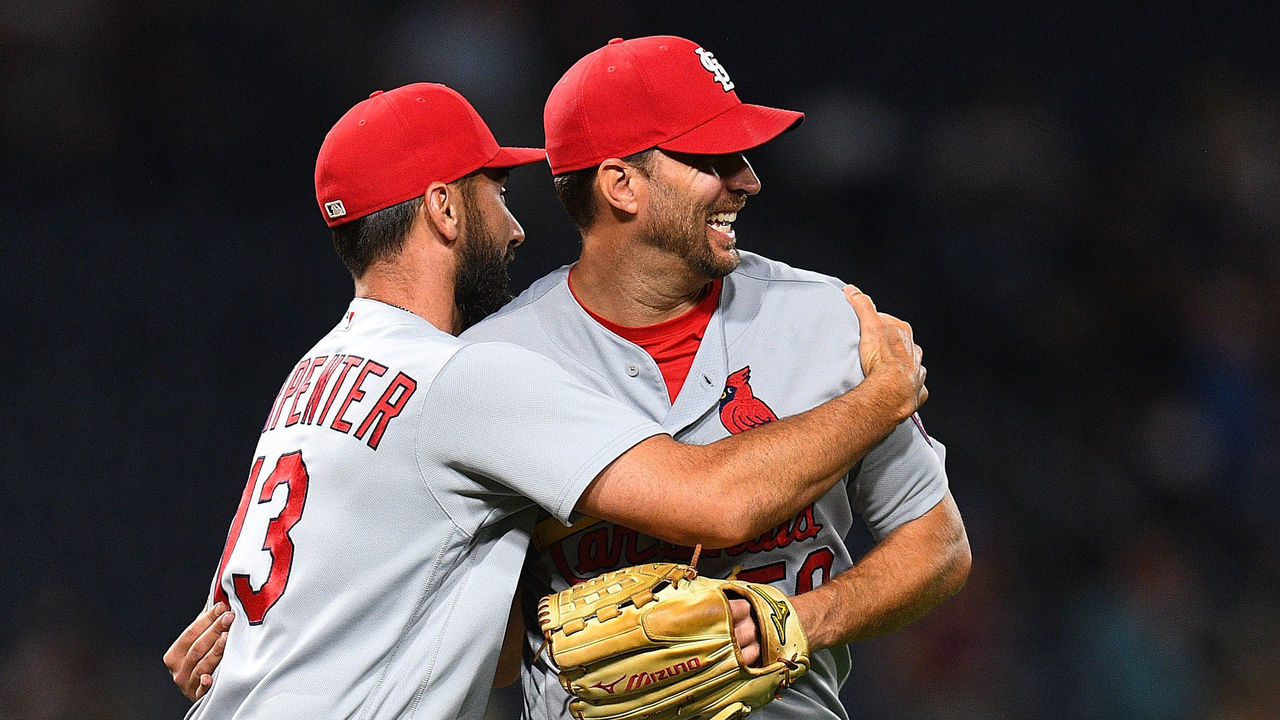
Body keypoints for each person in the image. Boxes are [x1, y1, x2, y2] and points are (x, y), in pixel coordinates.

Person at [165, 81, 929, 720]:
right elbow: (714, 502)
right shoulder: (466, 376)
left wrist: (253, 643)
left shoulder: (316, 373)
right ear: (444, 209)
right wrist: (883, 394)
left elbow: (444, 623)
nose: (518, 224)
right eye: (494, 191)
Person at [457, 36, 972, 719]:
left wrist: (808, 619)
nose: (748, 179)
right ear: (621, 185)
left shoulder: (826, 318)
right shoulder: (498, 363)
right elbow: (487, 655)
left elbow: (939, 545)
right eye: (712, 157)